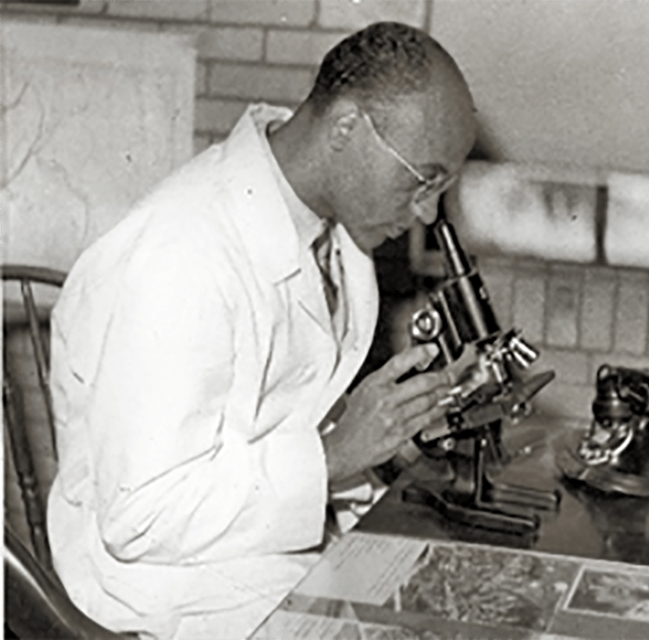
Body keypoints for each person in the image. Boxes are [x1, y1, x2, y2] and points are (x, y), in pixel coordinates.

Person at [47, 21, 477, 640]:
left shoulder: (329, 231)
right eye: (422, 178)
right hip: (167, 592)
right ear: (346, 128)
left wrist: (391, 433)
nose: (428, 212)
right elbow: (140, 516)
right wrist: (335, 455)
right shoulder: (179, 256)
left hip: (262, 559)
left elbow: (267, 422)